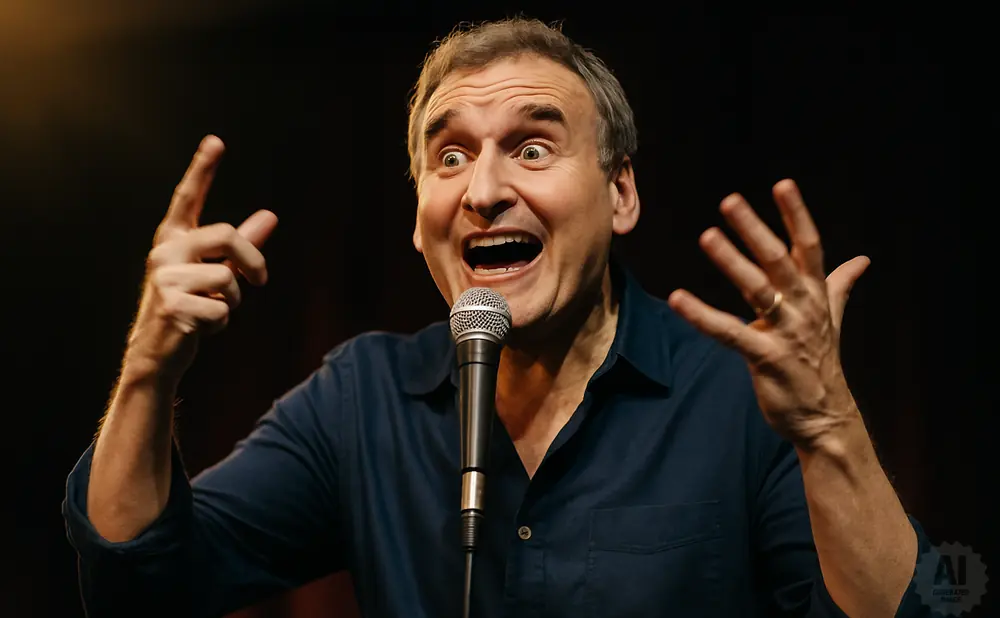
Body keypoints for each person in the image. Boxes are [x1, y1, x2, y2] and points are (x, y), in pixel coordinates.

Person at [63, 17, 933, 618]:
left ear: (621, 192)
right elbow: (141, 586)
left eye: (532, 146)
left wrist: (826, 428)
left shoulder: (741, 394)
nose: (483, 191)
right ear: (417, 218)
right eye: (450, 156)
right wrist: (148, 367)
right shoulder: (360, 402)